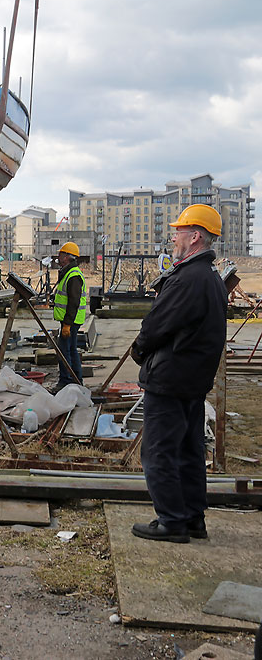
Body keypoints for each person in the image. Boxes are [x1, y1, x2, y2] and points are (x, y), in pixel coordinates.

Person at [129, 204, 227, 544]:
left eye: (179, 231)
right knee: (188, 451)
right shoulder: (211, 278)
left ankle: (171, 521)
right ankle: (192, 519)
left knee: (158, 452)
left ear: (195, 237)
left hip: (170, 381)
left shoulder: (187, 278)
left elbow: (157, 325)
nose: (174, 236)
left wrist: (139, 350)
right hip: (192, 382)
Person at [52, 241, 87, 392]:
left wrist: (67, 324)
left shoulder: (73, 276)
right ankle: (76, 380)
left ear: (67, 257)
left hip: (71, 321)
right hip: (70, 320)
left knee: (64, 351)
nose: (58, 257)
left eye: (60, 254)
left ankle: (66, 381)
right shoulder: (68, 273)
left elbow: (73, 302)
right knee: (71, 349)